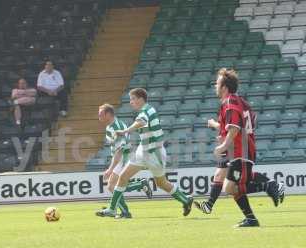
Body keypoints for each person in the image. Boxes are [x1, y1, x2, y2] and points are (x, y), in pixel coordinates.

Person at [204, 68, 284, 227]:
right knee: (231, 185)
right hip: (244, 148)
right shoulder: (241, 102)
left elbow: (234, 128)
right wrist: (219, 130)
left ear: (224, 87)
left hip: (241, 149)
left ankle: (269, 185)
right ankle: (251, 218)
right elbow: (238, 125)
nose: (215, 85)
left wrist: (223, 145)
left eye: (217, 83)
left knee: (231, 186)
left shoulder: (230, 102)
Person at [96, 88, 193, 218]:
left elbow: (141, 121)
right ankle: (113, 209)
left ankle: (185, 200)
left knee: (161, 183)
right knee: (123, 177)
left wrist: (126, 131)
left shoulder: (147, 110)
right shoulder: (146, 110)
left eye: (133, 99)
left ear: (141, 99)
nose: (131, 102)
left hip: (154, 153)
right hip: (143, 150)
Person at [98, 103, 153, 219]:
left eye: (101, 115)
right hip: (122, 156)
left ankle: (125, 212)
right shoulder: (110, 126)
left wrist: (110, 169)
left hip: (124, 157)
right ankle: (140, 184)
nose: (99, 118)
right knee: (116, 186)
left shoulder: (116, 127)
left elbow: (119, 151)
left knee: (112, 186)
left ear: (108, 114)